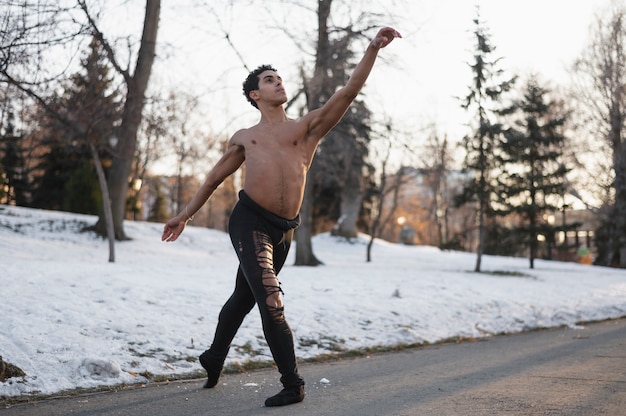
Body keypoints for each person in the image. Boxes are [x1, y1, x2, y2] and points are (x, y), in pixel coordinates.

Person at [161, 26, 401, 407]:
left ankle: (213, 357)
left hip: (284, 231)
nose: (278, 83)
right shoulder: (245, 136)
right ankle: (293, 384)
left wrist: (372, 48)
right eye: (269, 80)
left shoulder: (306, 128)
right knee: (270, 298)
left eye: (280, 79)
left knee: (244, 297)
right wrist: (184, 216)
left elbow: (348, 92)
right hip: (248, 221)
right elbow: (212, 178)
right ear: (255, 95)